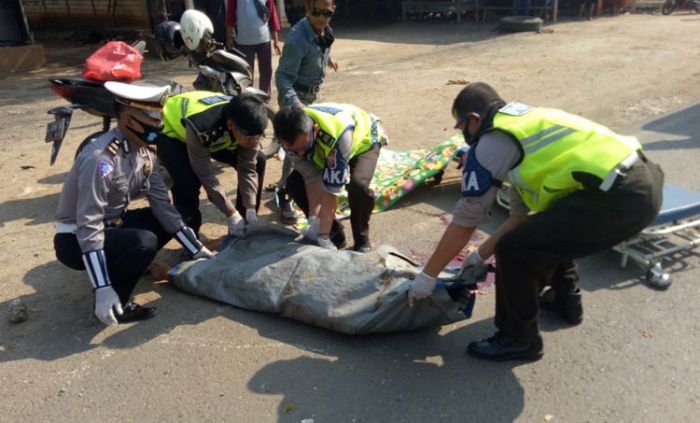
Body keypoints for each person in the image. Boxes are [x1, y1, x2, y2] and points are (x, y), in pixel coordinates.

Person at [408, 82, 664, 361]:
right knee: (542, 232)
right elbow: (520, 217)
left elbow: (466, 219)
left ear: (474, 119)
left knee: (514, 250)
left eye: (462, 127)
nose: (465, 136)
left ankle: (518, 339)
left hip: (620, 196)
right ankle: (565, 301)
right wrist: (480, 256)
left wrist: (428, 276)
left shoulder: (493, 141)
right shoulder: (523, 128)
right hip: (642, 180)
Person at [53, 82, 215, 327]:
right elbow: (89, 223)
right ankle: (117, 301)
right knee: (143, 243)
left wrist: (196, 249)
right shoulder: (101, 159)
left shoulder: (144, 155)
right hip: (75, 239)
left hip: (113, 226)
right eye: (151, 117)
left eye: (159, 116)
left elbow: (163, 207)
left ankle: (123, 264)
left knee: (185, 214)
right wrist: (102, 287)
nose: (158, 124)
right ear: (128, 119)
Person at [273, 103, 388, 252]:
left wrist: (322, 236)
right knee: (294, 183)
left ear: (314, 129)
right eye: (293, 150)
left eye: (304, 148)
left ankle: (361, 241)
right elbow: (311, 178)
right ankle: (335, 236)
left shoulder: (337, 136)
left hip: (363, 141)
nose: (300, 154)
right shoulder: (288, 136)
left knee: (358, 186)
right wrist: (314, 221)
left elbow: (330, 192)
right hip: (325, 148)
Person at [156, 91, 269, 237]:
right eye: (249, 137)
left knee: (258, 160)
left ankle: (244, 224)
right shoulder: (204, 126)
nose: (253, 141)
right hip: (174, 133)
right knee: (188, 181)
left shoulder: (248, 126)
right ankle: (190, 239)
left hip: (218, 137)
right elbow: (205, 173)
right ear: (230, 125)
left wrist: (250, 206)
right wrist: (230, 212)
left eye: (258, 136)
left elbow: (247, 166)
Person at [274, 0, 339, 224]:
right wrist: (296, 104)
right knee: (295, 147)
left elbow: (319, 49)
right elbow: (282, 77)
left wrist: (328, 59)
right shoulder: (296, 39)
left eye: (327, 13)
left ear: (333, 11)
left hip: (314, 95)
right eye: (316, 13)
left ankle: (313, 187)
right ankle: (284, 195)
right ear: (307, 9)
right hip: (296, 97)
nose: (322, 18)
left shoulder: (324, 30)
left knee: (317, 142)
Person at [225, 0, 282, 98]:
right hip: (243, 42)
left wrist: (276, 40)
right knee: (246, 73)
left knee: (266, 72)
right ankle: (248, 98)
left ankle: (265, 98)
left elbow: (272, 14)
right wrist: (229, 37)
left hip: (264, 40)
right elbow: (230, 15)